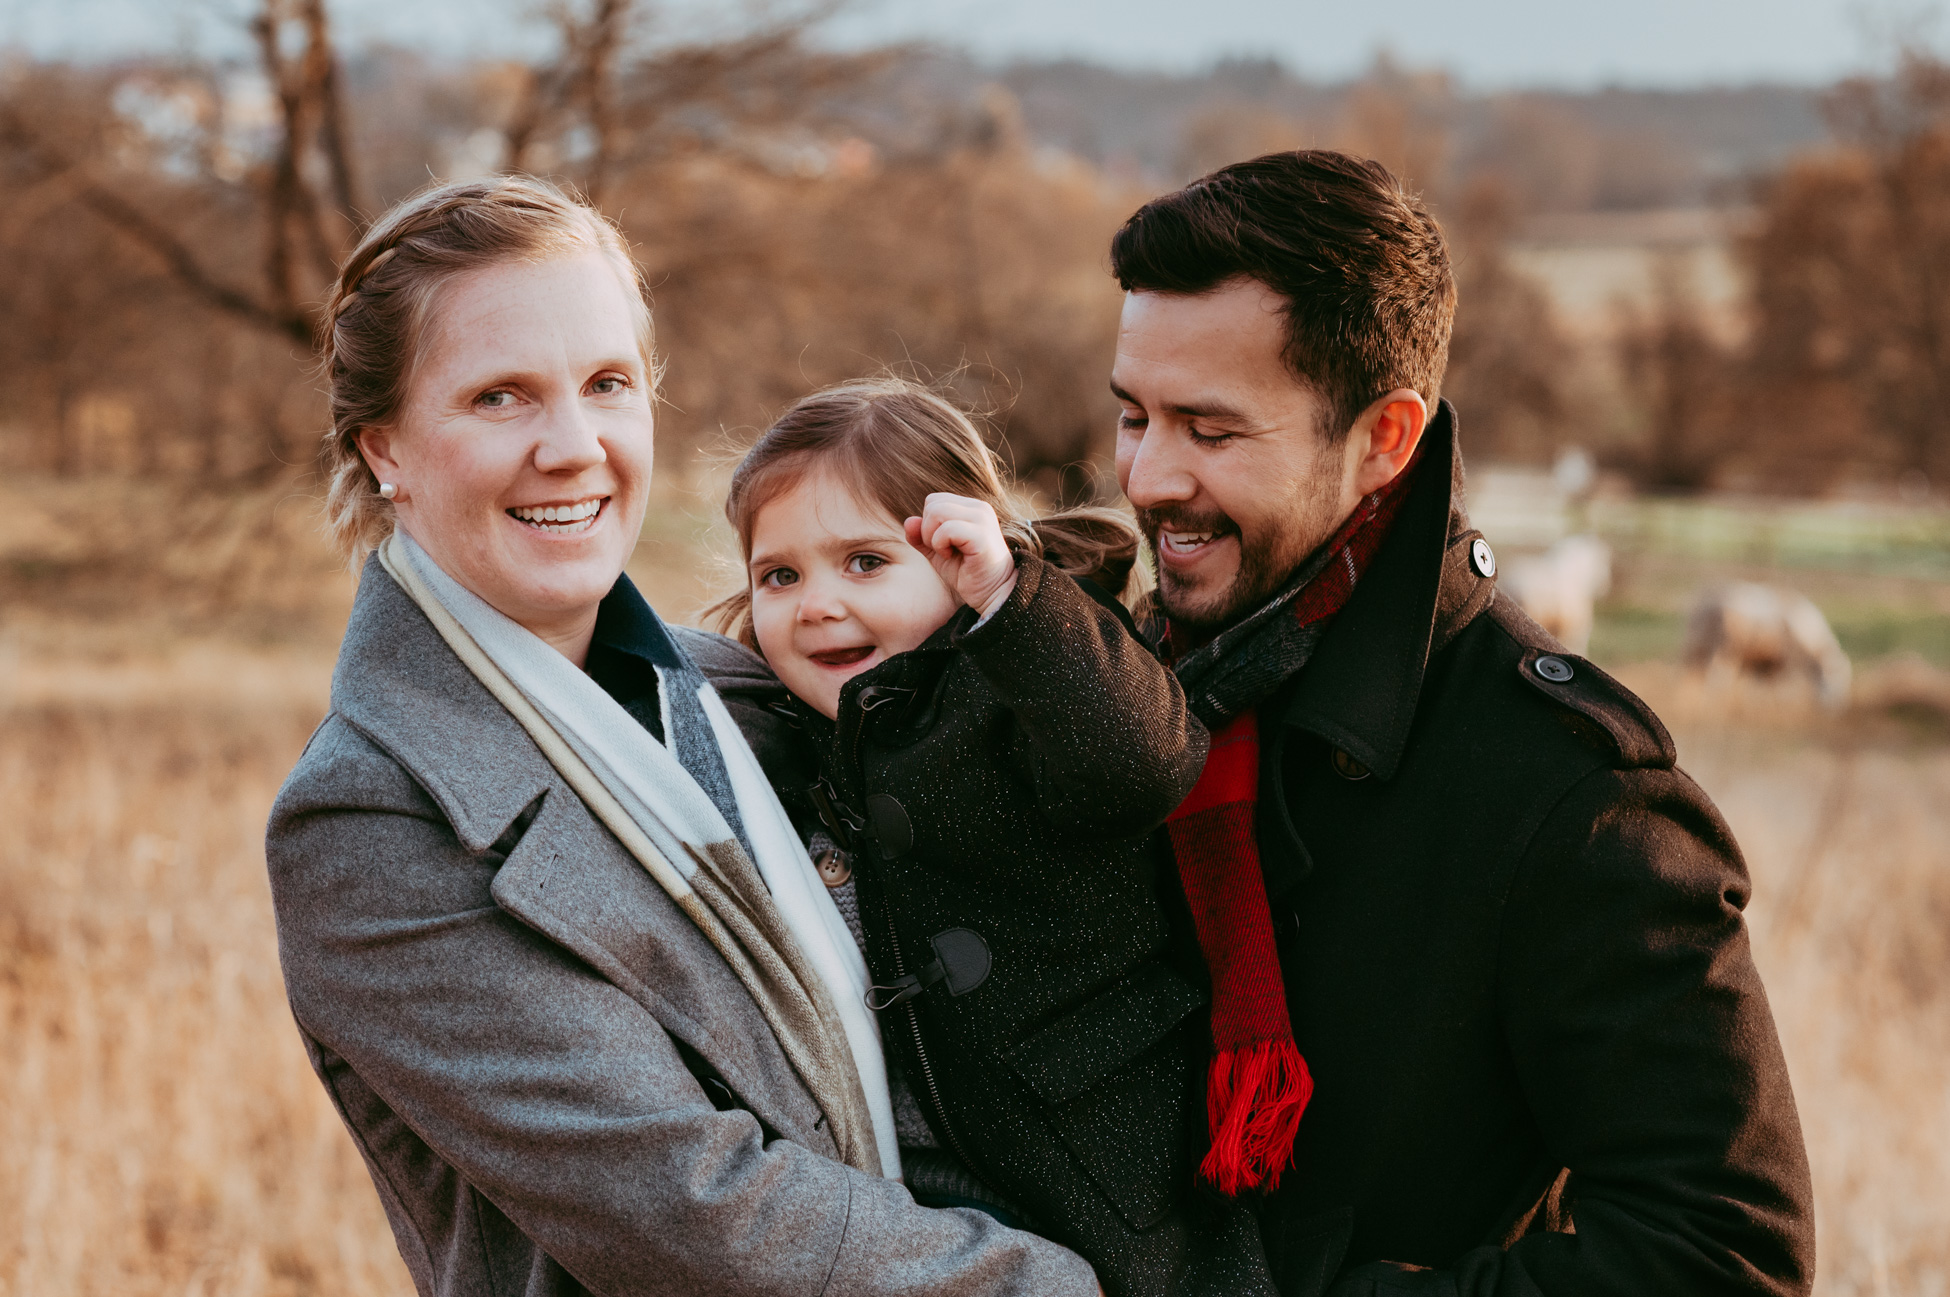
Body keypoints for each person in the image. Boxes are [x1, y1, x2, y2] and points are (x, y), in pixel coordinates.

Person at [264, 175, 1098, 1297]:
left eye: (607, 384)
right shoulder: (373, 817)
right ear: (386, 451)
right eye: (500, 396)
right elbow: (693, 1215)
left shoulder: (741, 691)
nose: (573, 447)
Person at [1104, 150, 1816, 1296]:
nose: (1145, 476)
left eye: (1210, 429)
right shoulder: (1113, 691)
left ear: (1385, 438)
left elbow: (1727, 1254)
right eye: (1132, 415)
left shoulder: (1570, 792)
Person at [704, 379, 1276, 1297]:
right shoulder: (806, 735)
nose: (814, 604)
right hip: (924, 1205)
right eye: (781, 576)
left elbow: (1143, 762)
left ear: (959, 557)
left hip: (1105, 1184)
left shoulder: (1022, 688)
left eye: (863, 562)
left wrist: (1015, 600)